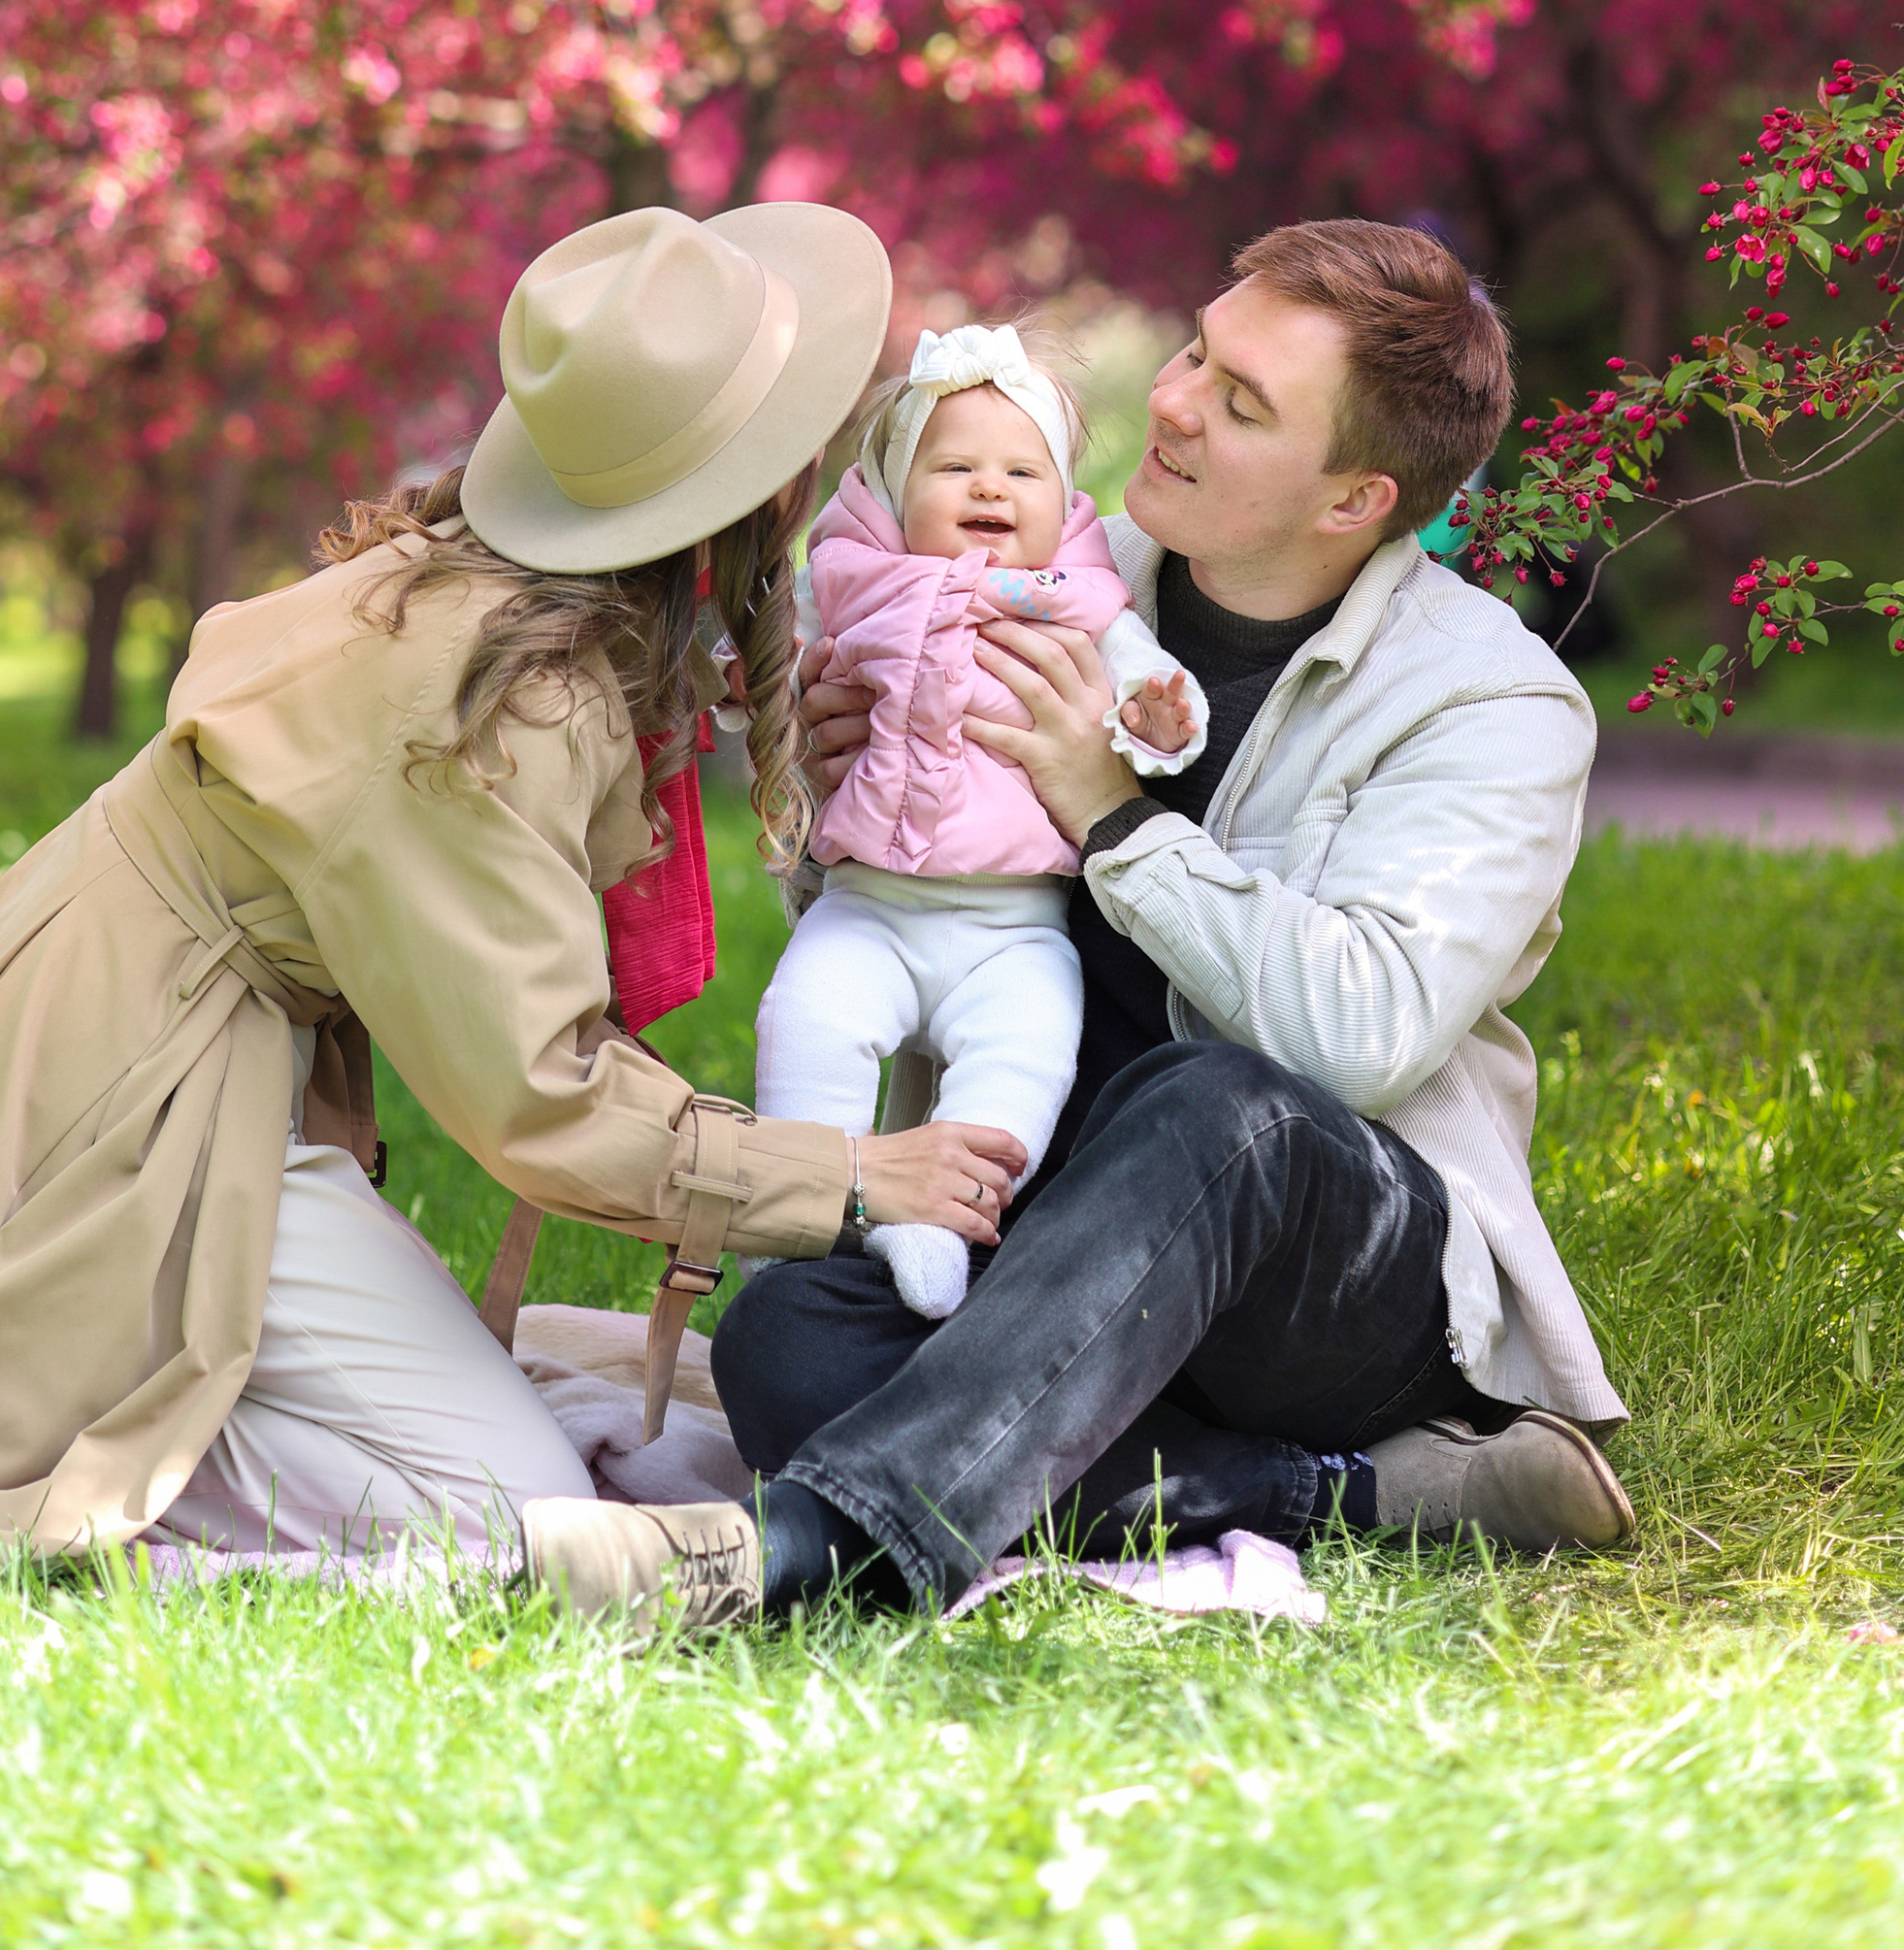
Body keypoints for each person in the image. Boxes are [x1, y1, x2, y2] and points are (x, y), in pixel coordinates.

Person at [0, 203, 1024, 1579]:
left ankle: (171, 1398)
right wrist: (845, 1177)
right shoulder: (496, 697)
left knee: (530, 1466)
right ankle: (110, 1435)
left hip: (130, 1049)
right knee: (514, 1519)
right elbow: (541, 1102)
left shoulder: (488, 606)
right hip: (134, 1110)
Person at [519, 219, 1636, 1636]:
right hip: (1058, 1257)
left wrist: (1117, 815)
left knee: (1215, 1101)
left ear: (1357, 497)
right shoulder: (1042, 572)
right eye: (1195, 353)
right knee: (785, 1345)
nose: (1169, 402)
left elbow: (1362, 1036)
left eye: (1240, 404)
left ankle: (809, 1547)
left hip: (1323, 1276)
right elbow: (922, 917)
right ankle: (1348, 1498)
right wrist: (858, 795)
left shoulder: (1490, 702)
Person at [754, 320, 1203, 1320]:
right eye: (952, 467)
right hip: (867, 908)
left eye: (1021, 471)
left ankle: (939, 1219)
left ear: (1066, 506)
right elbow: (783, 690)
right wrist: (795, 713)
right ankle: (802, 1222)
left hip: (1015, 929)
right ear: (890, 492)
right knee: (805, 1023)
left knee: (1025, 1060)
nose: (990, 489)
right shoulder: (855, 585)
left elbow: (1145, 687)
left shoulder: (1076, 601)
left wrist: (1157, 722)